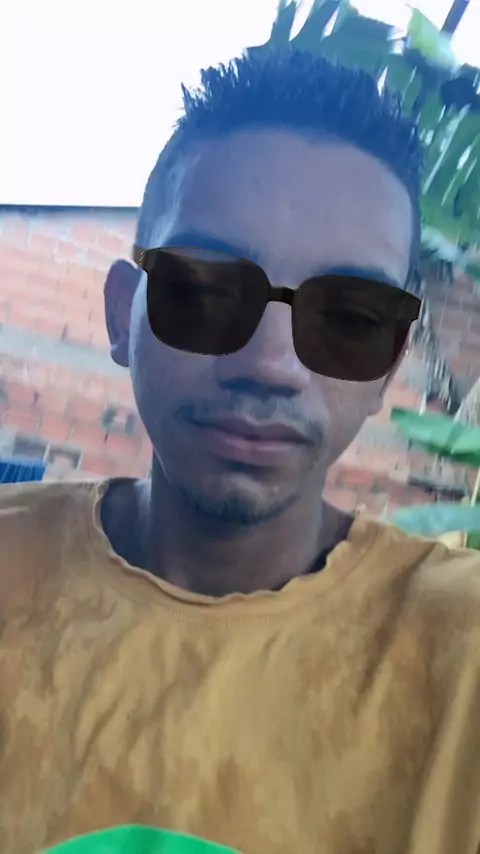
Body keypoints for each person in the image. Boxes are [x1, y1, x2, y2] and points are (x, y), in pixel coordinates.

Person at [0, 48, 479, 854]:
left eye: (350, 317)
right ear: (122, 314)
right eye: (205, 289)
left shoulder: (459, 659)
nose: (269, 364)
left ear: (389, 363)